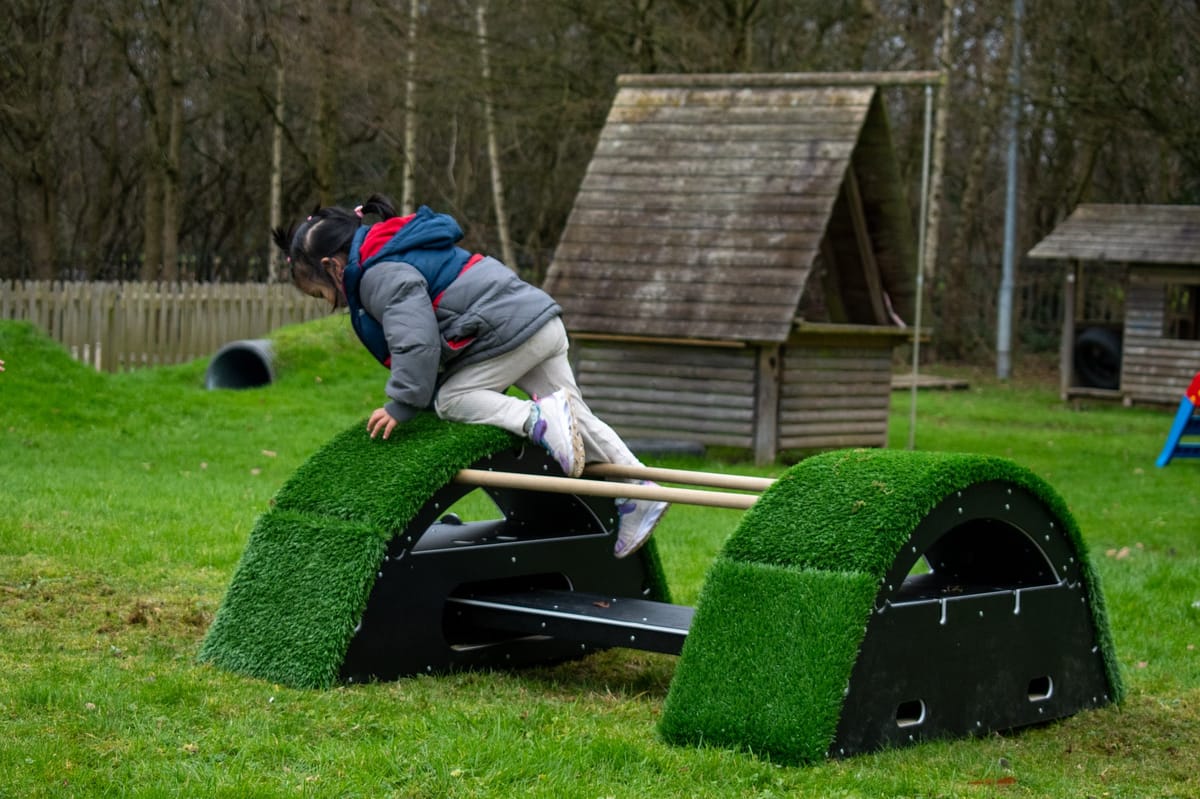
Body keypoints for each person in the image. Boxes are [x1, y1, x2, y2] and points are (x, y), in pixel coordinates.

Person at [272, 194, 666, 558]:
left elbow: (417, 340)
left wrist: (404, 401)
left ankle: (537, 419)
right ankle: (640, 490)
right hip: (539, 322)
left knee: (454, 400)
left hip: (509, 332)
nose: (330, 303)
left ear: (332, 267)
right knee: (578, 418)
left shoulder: (377, 274)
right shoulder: (394, 249)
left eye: (320, 294)